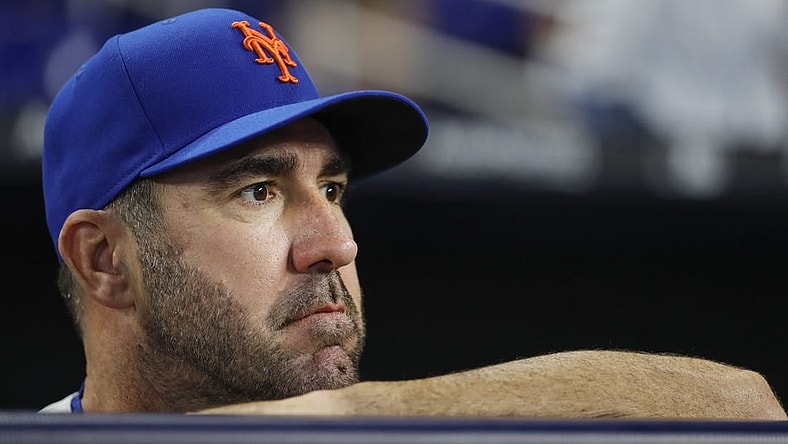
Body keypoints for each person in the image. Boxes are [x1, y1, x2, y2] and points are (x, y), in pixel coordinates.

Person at [38, 7, 786, 419]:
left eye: (332, 189)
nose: (336, 244)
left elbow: (744, 406)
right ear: (105, 260)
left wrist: (346, 423)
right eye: (257, 192)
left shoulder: (397, 424)